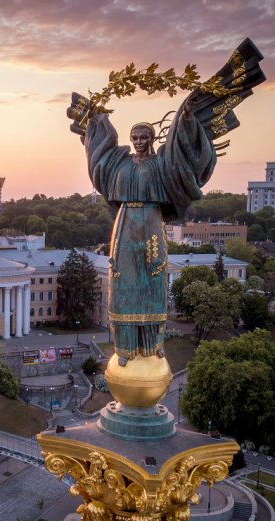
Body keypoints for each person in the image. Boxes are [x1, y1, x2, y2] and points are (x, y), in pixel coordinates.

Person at [84, 106, 215, 365]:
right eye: (134, 138)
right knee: (124, 283)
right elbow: (98, 159)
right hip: (125, 225)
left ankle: (153, 344)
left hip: (152, 223)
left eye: (144, 137)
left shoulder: (160, 164)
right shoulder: (119, 162)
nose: (138, 142)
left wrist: (187, 119)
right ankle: (125, 348)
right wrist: (95, 120)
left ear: (152, 139)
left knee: (152, 280)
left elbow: (183, 160)